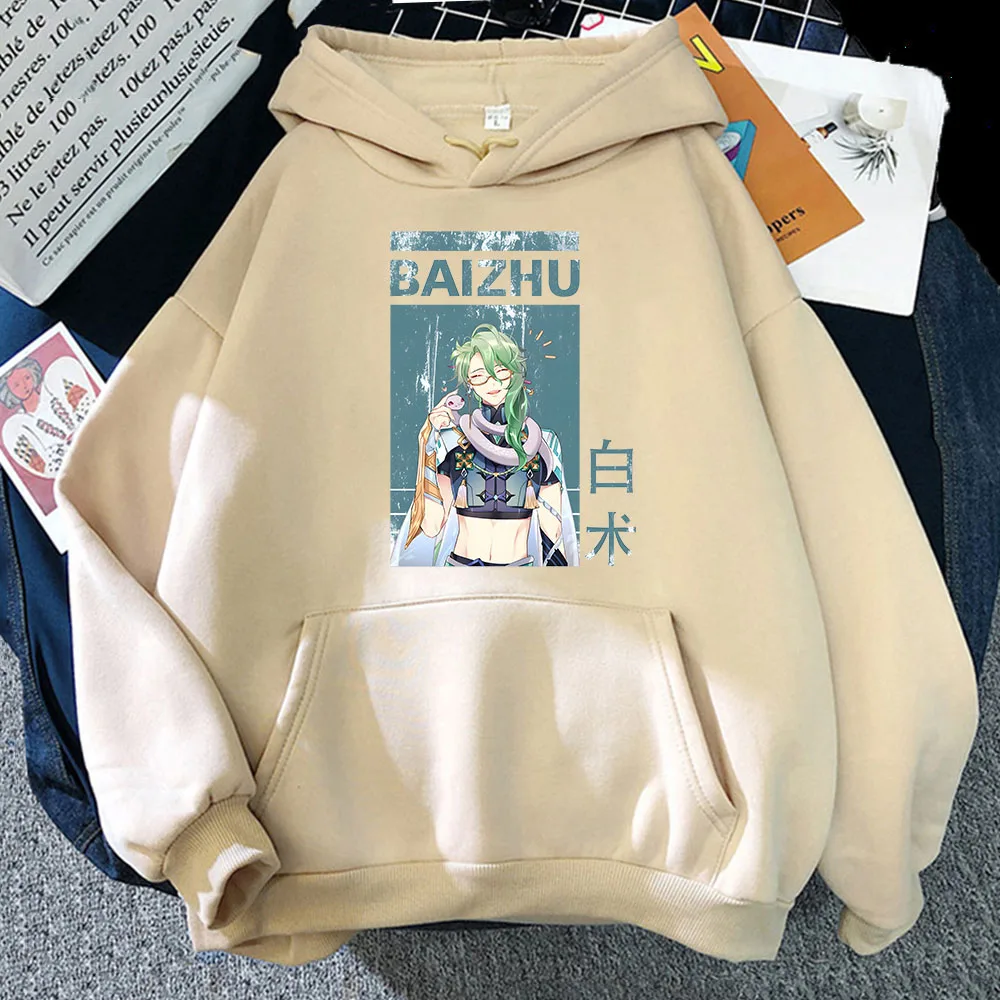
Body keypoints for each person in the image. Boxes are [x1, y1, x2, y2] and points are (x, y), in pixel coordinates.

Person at [391, 322, 579, 567]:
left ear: (514, 374)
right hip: (460, 569)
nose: (492, 383)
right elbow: (432, 526)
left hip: (517, 572)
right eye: (479, 375)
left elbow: (554, 532)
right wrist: (427, 442)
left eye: (500, 371)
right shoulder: (454, 446)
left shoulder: (540, 445)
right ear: (469, 383)